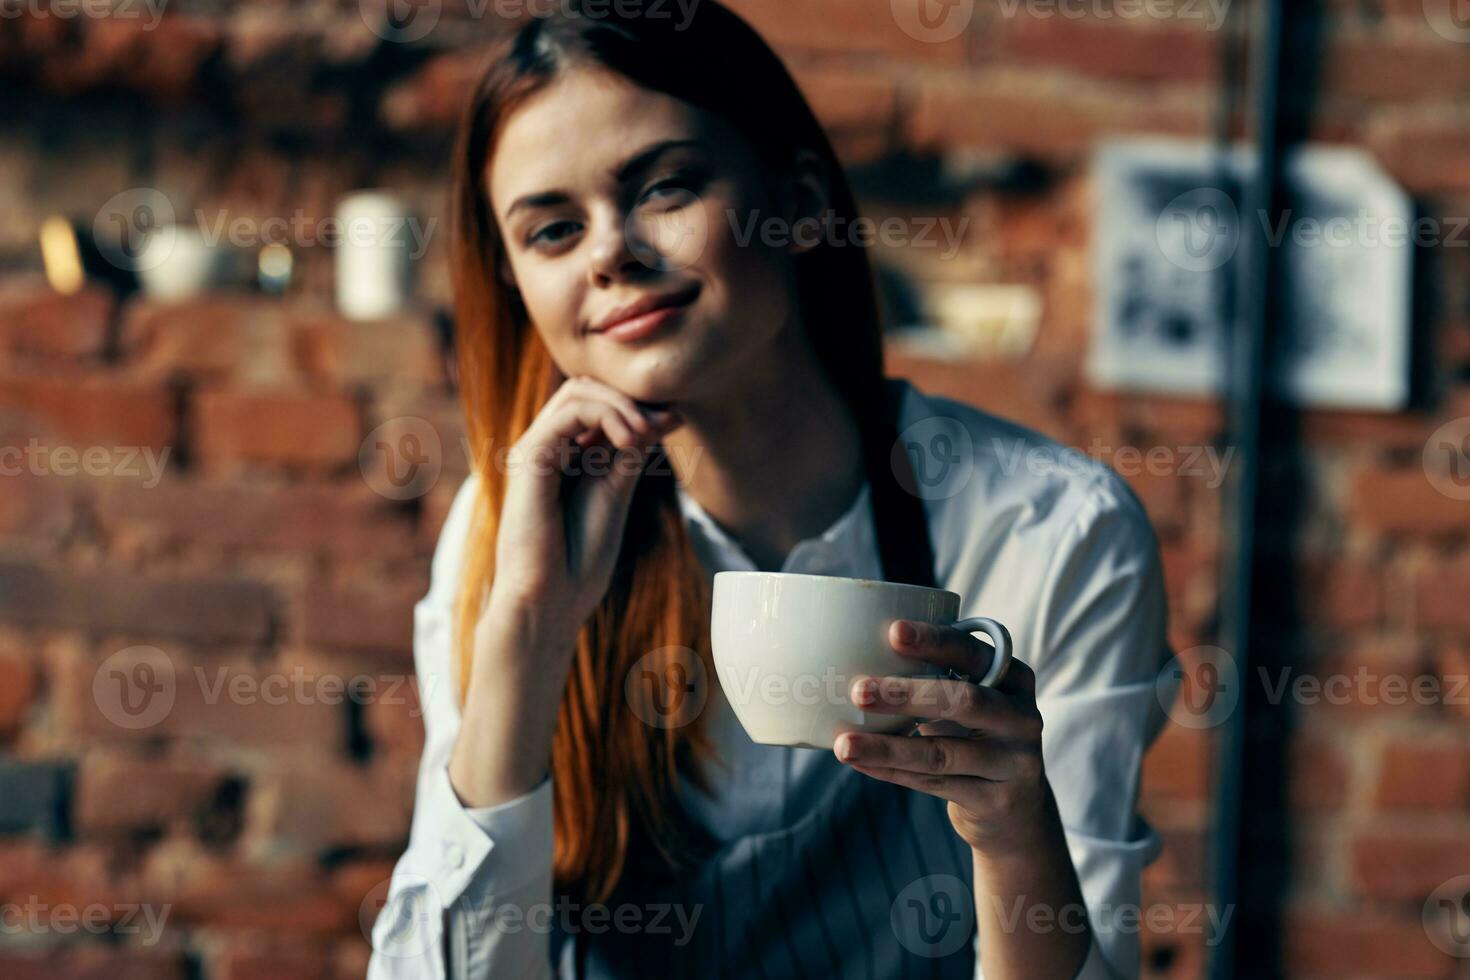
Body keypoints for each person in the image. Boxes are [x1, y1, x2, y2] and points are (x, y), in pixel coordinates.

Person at [367, 4, 1172, 978]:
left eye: (665, 187)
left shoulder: (1052, 532)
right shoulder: (511, 535)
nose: (609, 253)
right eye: (552, 230)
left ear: (795, 201)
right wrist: (528, 632)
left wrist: (1013, 835)